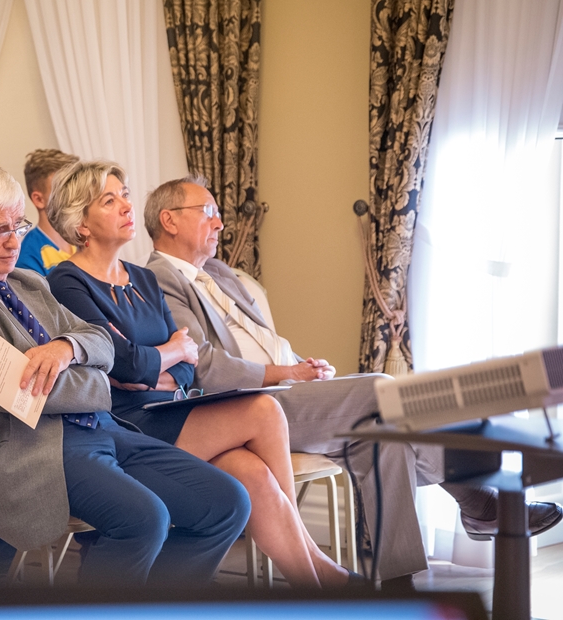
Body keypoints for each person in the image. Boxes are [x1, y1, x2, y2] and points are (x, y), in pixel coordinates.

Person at [141, 176, 563, 588]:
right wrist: (286, 374)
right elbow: (203, 366)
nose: (219, 222)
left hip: (289, 389)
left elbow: (260, 342)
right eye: (208, 211)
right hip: (246, 406)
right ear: (169, 220)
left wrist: (298, 364)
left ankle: (399, 583)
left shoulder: (219, 273)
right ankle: (476, 499)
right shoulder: (158, 279)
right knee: (384, 389)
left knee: (382, 441)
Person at [0, 162, 249, 586]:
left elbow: (99, 339)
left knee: (227, 503)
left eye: (19, 226)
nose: (14, 241)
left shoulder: (27, 282)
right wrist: (103, 379)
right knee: (145, 519)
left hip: (98, 428)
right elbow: (22, 389)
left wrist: (67, 347)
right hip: (27, 448)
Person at [45, 161, 356, 589]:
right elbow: (121, 363)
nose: (127, 207)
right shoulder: (66, 281)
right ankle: (319, 569)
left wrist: (158, 362)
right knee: (263, 411)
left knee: (252, 474)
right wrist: (166, 353)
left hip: (172, 408)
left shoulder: (143, 278)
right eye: (109, 200)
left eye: (126, 195)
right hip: (124, 422)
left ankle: (314, 583)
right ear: (81, 224)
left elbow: (185, 364)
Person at [17, 149, 79, 276]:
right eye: (63, 189)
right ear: (39, 199)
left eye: (74, 187)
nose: (74, 195)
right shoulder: (27, 259)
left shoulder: (84, 238)